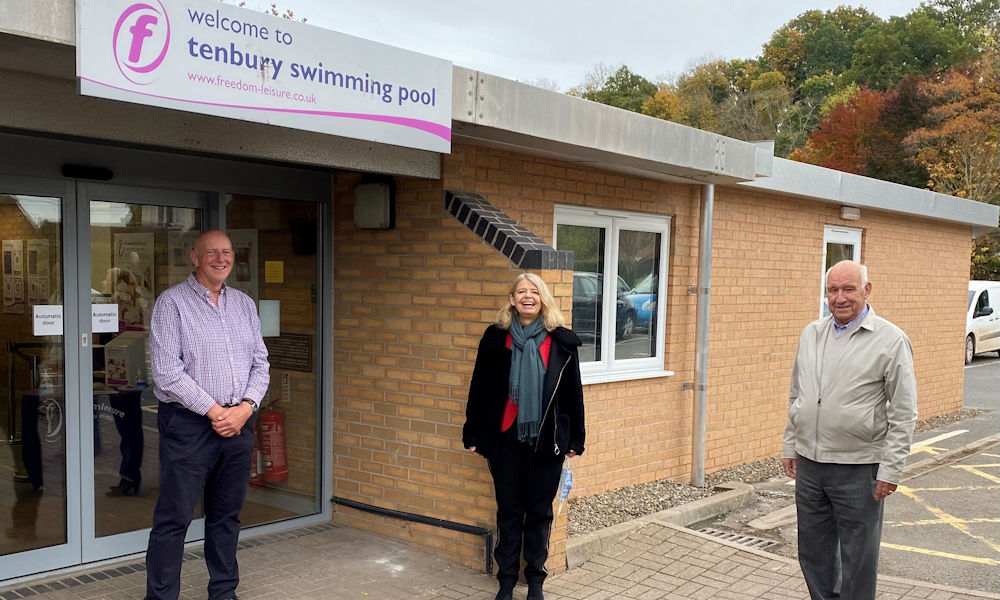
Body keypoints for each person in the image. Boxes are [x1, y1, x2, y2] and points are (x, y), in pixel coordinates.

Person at [145, 230, 270, 600]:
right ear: (195, 258)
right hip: (189, 425)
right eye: (211, 252)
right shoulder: (173, 304)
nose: (221, 258)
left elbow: (260, 363)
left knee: (226, 517)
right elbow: (167, 372)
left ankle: (224, 593)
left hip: (239, 424)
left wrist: (245, 409)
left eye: (227, 252)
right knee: (174, 519)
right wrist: (218, 412)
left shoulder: (245, 305)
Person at [782, 260, 917, 600]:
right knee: (814, 552)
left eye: (848, 289)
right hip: (811, 465)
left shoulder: (890, 340)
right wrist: (790, 445)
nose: (839, 298)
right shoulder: (811, 333)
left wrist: (891, 468)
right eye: (832, 290)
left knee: (858, 557)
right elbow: (797, 394)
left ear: (867, 290)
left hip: (859, 468)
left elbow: (904, 411)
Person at [463, 273, 585, 600]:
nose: (527, 296)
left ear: (543, 298)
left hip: (546, 442)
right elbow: (479, 389)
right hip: (504, 440)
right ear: (512, 299)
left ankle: (535, 582)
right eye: (521, 291)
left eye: (534, 291)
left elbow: (573, 394)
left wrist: (575, 439)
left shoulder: (560, 340)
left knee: (539, 512)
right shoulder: (495, 338)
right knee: (510, 511)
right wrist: (473, 432)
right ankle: (505, 582)